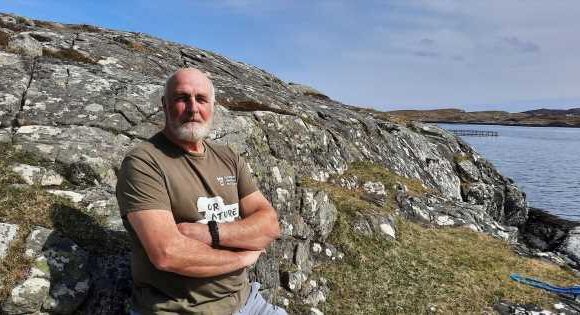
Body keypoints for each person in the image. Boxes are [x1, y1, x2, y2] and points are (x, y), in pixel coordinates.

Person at [116, 68, 287, 315]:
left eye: (201, 99)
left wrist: (208, 233)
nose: (193, 108)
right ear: (165, 105)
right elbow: (167, 253)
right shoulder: (144, 163)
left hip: (247, 303)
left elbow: (269, 225)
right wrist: (241, 259)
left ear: (213, 106)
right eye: (182, 98)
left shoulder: (228, 157)